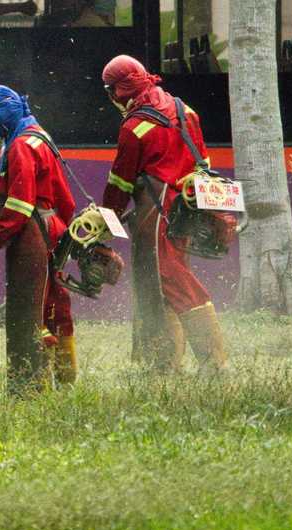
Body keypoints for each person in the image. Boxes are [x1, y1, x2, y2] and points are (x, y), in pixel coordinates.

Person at [101, 55, 228, 372]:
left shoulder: (134, 127)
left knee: (172, 282)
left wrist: (106, 219)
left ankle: (215, 365)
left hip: (156, 215)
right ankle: (164, 364)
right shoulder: (184, 110)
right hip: (186, 211)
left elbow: (120, 183)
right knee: (160, 284)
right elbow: (204, 165)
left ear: (119, 90)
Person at [0, 85, 77, 394]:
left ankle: (30, 387)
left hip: (31, 236)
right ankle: (66, 379)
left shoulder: (20, 145)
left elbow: (19, 207)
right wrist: (64, 237)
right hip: (53, 228)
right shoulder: (39, 135)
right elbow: (65, 198)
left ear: (6, 108)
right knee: (55, 306)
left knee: (28, 310)